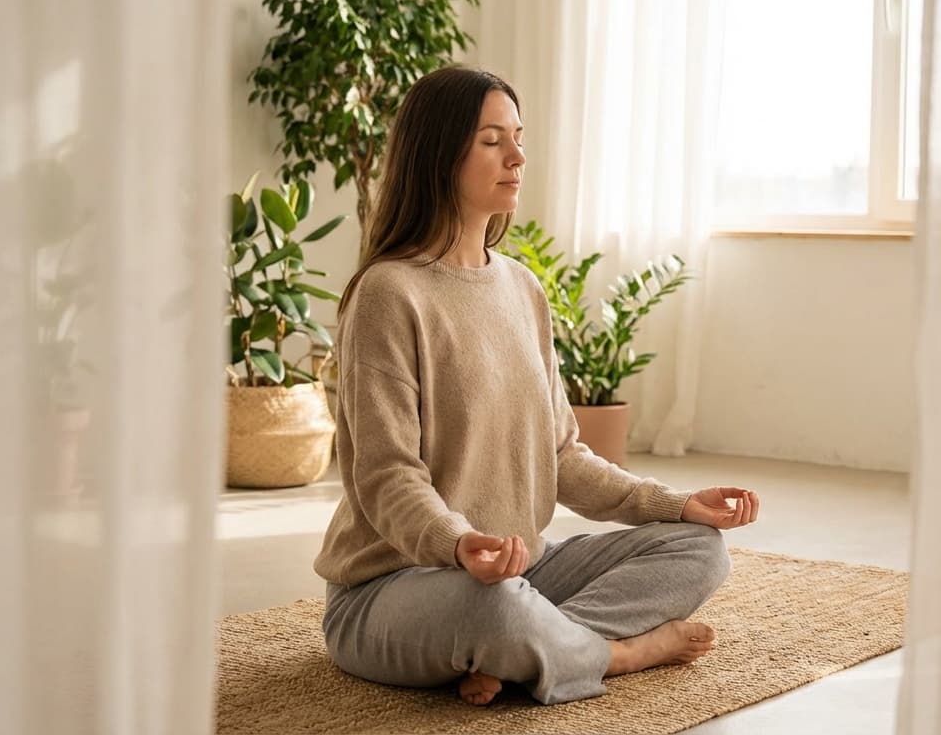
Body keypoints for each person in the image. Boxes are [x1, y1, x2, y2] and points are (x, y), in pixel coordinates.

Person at [313, 66, 761, 707]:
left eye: (518, 137)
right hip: (396, 586)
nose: (518, 157)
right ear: (439, 154)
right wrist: (459, 544)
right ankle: (617, 653)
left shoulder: (523, 288)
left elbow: (562, 457)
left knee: (700, 551)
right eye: (492, 140)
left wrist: (675, 504)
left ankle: (534, 651)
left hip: (524, 570)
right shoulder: (390, 293)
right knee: (492, 607)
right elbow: (387, 476)